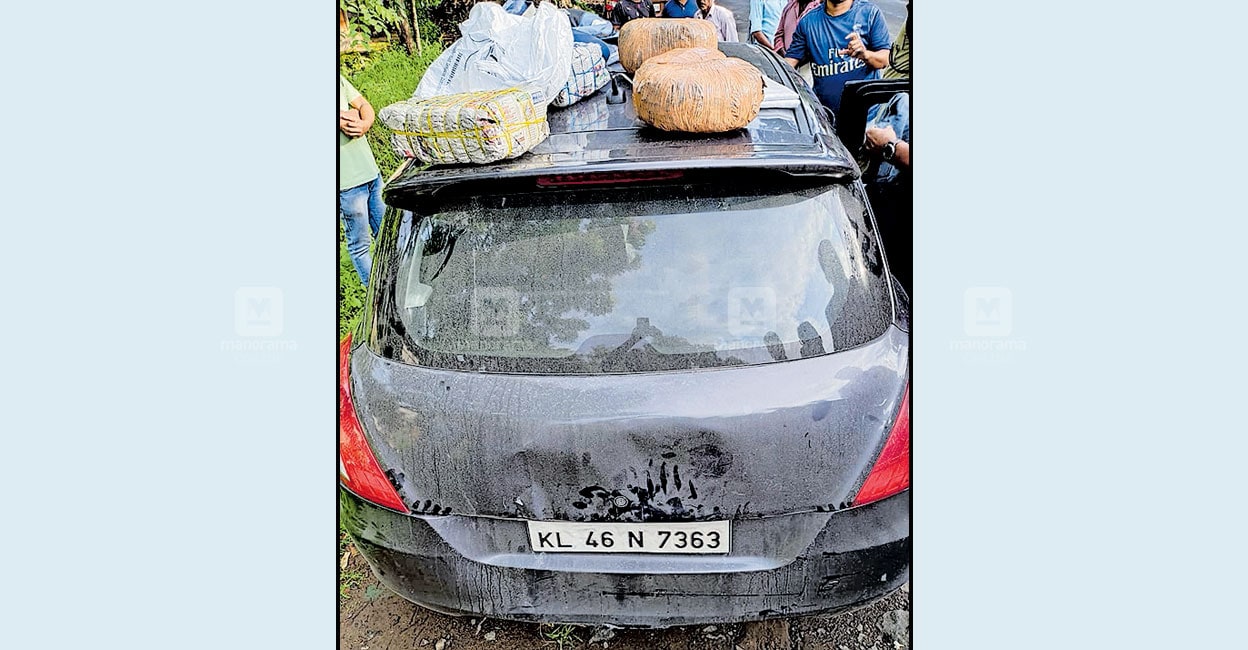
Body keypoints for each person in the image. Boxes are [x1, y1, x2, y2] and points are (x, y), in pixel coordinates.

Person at [783, 0, 891, 112]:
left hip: (866, 116)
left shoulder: (870, 13)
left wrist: (865, 55)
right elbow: (790, 61)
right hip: (825, 115)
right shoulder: (808, 22)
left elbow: (885, 59)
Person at [339, 74, 384, 288]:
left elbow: (364, 104)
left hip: (371, 173)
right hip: (346, 184)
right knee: (360, 246)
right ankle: (379, 299)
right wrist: (347, 113)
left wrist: (364, 122)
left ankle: (399, 289)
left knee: (388, 235)